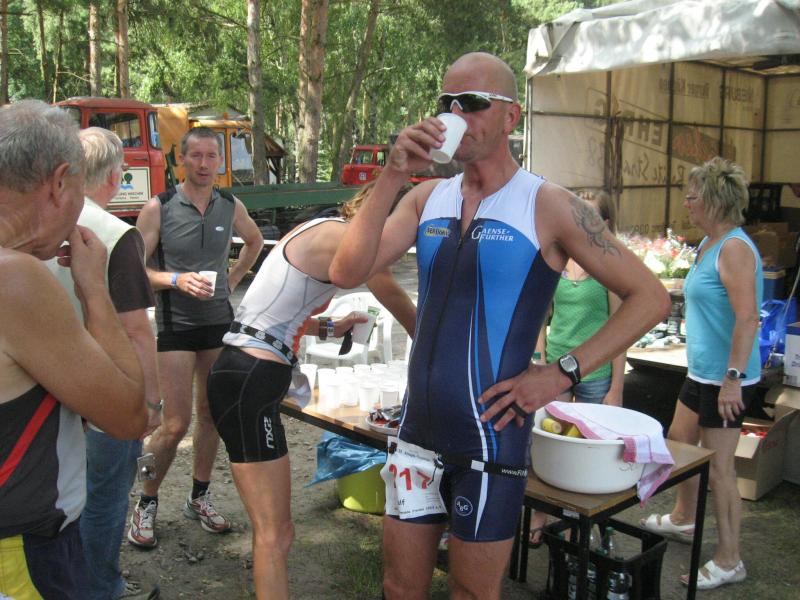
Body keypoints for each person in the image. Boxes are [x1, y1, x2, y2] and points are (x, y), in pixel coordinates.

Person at [329, 52, 671, 600]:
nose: (455, 113)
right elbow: (347, 270)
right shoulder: (426, 197)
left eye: (472, 103)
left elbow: (650, 298)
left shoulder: (549, 205)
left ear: (511, 117)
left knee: (472, 593)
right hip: (417, 437)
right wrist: (393, 173)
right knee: (399, 587)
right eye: (447, 102)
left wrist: (562, 373)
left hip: (490, 442)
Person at [206, 183, 416, 600]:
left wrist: (333, 326)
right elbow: (396, 297)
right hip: (249, 378)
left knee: (278, 531)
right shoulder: (345, 238)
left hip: (246, 373)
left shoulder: (326, 229)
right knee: (273, 534)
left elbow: (278, 312)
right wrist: (437, 347)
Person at [0, 101, 146, 598]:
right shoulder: (15, 279)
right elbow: (127, 416)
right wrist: (94, 291)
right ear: (60, 182)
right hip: (22, 550)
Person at [128, 127, 263, 548]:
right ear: (182, 160)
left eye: (211, 156)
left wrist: (233, 278)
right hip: (176, 327)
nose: (204, 164)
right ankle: (145, 500)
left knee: (211, 415)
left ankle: (199, 497)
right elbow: (135, 270)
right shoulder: (159, 207)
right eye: (196, 156)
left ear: (220, 162)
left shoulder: (230, 204)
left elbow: (255, 241)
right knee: (174, 424)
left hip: (218, 323)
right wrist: (175, 279)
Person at [45, 127, 161, 600]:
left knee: (66, 500)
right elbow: (137, 331)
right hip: (106, 393)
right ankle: (100, 588)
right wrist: (151, 401)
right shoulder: (116, 235)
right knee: (107, 498)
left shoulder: (42, 224)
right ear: (116, 176)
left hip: (49, 391)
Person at [641, 157, 759, 590]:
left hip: (726, 379)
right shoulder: (710, 243)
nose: (686, 204)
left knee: (721, 469)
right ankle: (684, 517)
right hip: (701, 373)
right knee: (679, 440)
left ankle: (730, 559)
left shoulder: (734, 249)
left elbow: (748, 318)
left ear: (713, 200)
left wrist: (732, 379)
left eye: (692, 197)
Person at [528, 189, 627, 547]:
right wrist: (539, 359)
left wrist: (616, 388)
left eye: (589, 214)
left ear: (606, 223)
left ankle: (574, 523)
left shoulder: (609, 267)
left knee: (587, 452)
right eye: (577, 212)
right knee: (546, 443)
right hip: (556, 368)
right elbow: (541, 316)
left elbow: (620, 331)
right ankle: (540, 514)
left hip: (595, 373)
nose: (580, 220)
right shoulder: (559, 257)